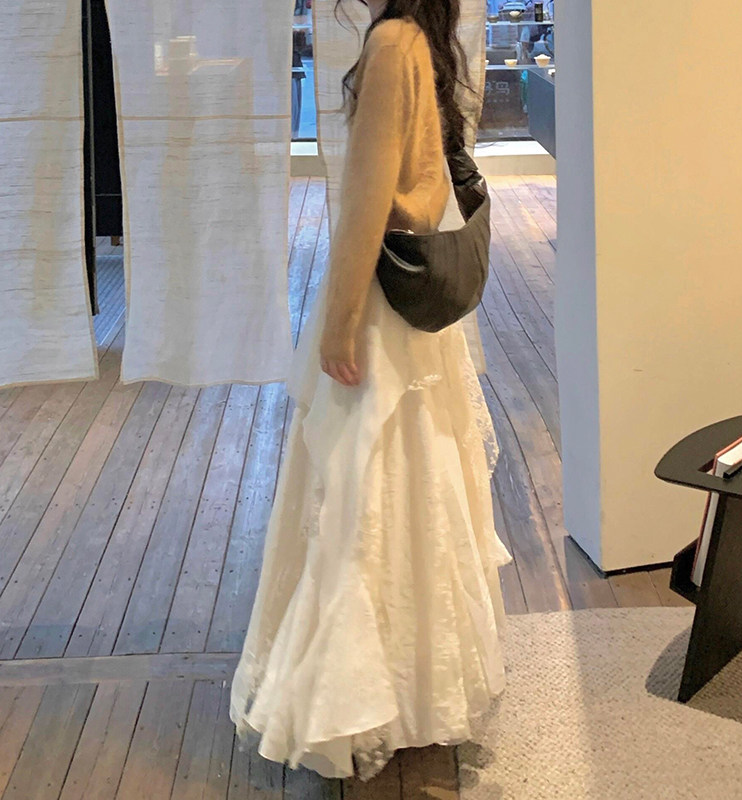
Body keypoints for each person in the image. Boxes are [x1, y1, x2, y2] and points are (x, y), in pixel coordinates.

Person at [229, 0, 512, 782]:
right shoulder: (420, 38)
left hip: (380, 300)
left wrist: (339, 320)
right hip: (414, 307)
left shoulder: (391, 42)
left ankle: (364, 695)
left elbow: (365, 198)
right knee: (414, 481)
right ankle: (415, 685)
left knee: (361, 489)